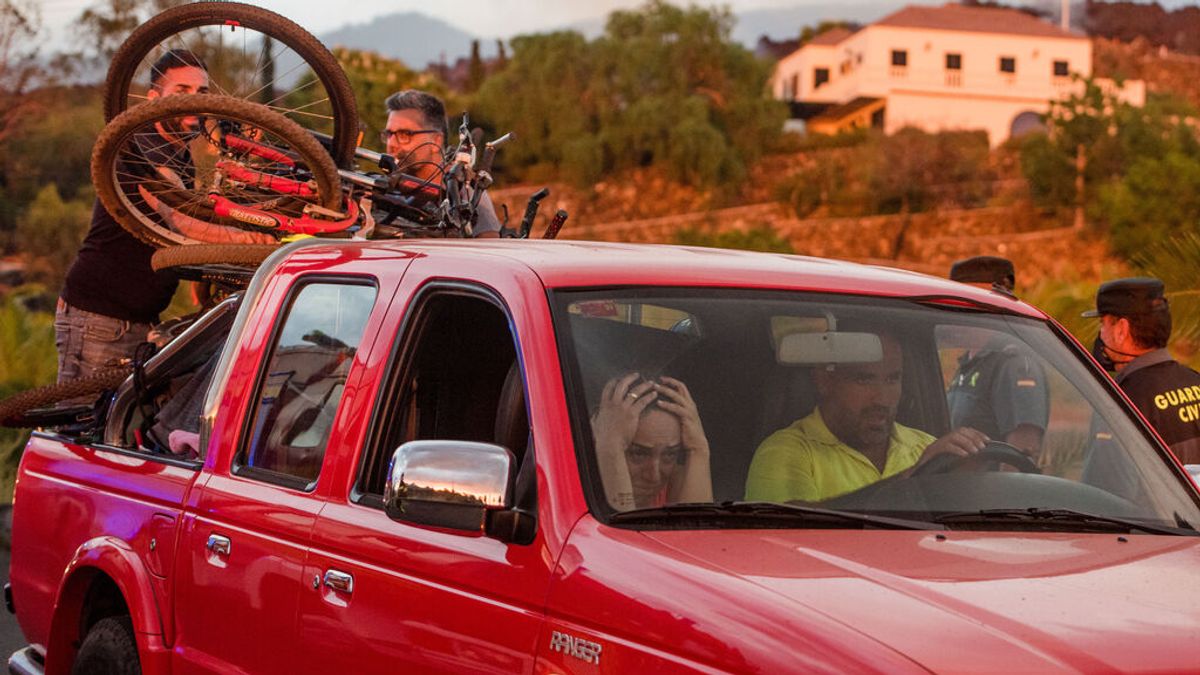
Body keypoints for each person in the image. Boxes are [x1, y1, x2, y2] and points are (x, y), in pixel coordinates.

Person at [56, 50, 213, 385]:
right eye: (181, 92)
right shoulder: (141, 148)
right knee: (82, 425)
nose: (193, 103)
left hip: (136, 320)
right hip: (100, 319)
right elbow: (181, 221)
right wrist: (262, 238)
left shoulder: (180, 152)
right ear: (154, 99)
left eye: (201, 94)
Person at [745, 331, 989, 503]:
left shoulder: (924, 446)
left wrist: (976, 484)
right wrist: (912, 478)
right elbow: (790, 533)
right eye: (864, 379)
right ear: (825, 380)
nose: (882, 398)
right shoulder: (787, 451)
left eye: (893, 379)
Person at [1083, 277, 1200, 464]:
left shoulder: (1122, 401)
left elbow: (1107, 486)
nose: (1101, 334)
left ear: (1121, 329)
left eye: (1102, 324)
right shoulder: (1195, 381)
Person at [946, 256, 1049, 456]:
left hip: (991, 486)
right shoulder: (970, 363)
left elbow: (1023, 449)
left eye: (960, 298)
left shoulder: (1013, 364)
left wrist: (1002, 488)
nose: (954, 307)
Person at [382, 89, 501, 237]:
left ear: (436, 140)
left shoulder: (464, 193)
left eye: (405, 134)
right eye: (389, 134)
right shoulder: (390, 193)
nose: (391, 144)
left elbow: (489, 249)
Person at [591, 373, 712, 510]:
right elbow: (619, 527)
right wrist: (610, 446)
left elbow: (697, 528)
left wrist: (699, 449)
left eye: (669, 455)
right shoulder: (569, 490)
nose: (654, 476)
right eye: (638, 454)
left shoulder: (678, 483)